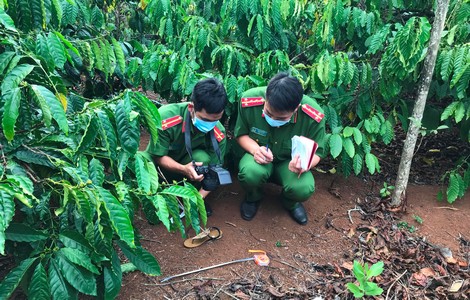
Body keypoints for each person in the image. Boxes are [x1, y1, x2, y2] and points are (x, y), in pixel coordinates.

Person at [234, 72, 326, 225]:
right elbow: (240, 134)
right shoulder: (249, 101)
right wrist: (255, 150)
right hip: (258, 157)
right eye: (269, 113)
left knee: (303, 188)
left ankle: (290, 202)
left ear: (296, 108)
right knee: (250, 173)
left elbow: (318, 152)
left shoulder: (313, 115)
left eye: (282, 118)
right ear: (266, 98)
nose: (273, 120)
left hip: (289, 164)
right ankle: (253, 197)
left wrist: (304, 164)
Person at [146, 78, 228, 216]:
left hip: (189, 172)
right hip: (161, 168)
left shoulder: (218, 133)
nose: (210, 125)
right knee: (142, 161)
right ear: (191, 108)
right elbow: (158, 156)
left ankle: (189, 195)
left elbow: (216, 172)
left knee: (202, 158)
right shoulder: (166, 117)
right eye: (206, 120)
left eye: (216, 120)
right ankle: (156, 194)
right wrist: (183, 169)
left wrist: (197, 200)